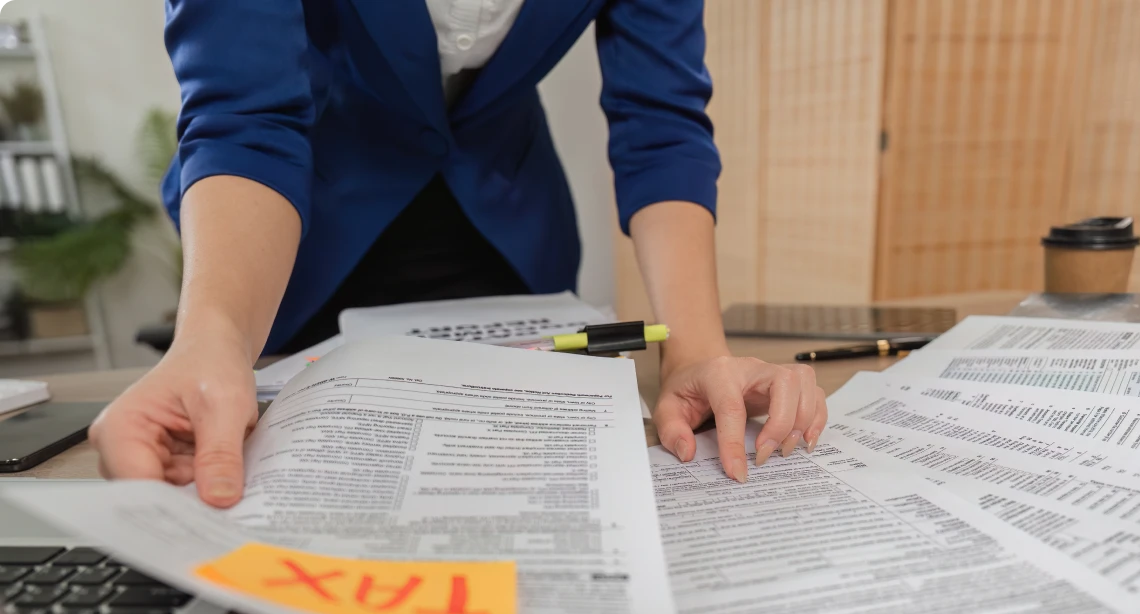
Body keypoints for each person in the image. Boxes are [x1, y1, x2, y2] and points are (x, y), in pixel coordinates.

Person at [90, 0, 827, 508]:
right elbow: (245, 113)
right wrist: (214, 337)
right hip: (296, 232)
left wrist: (696, 351)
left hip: (508, 227)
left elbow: (661, 122)